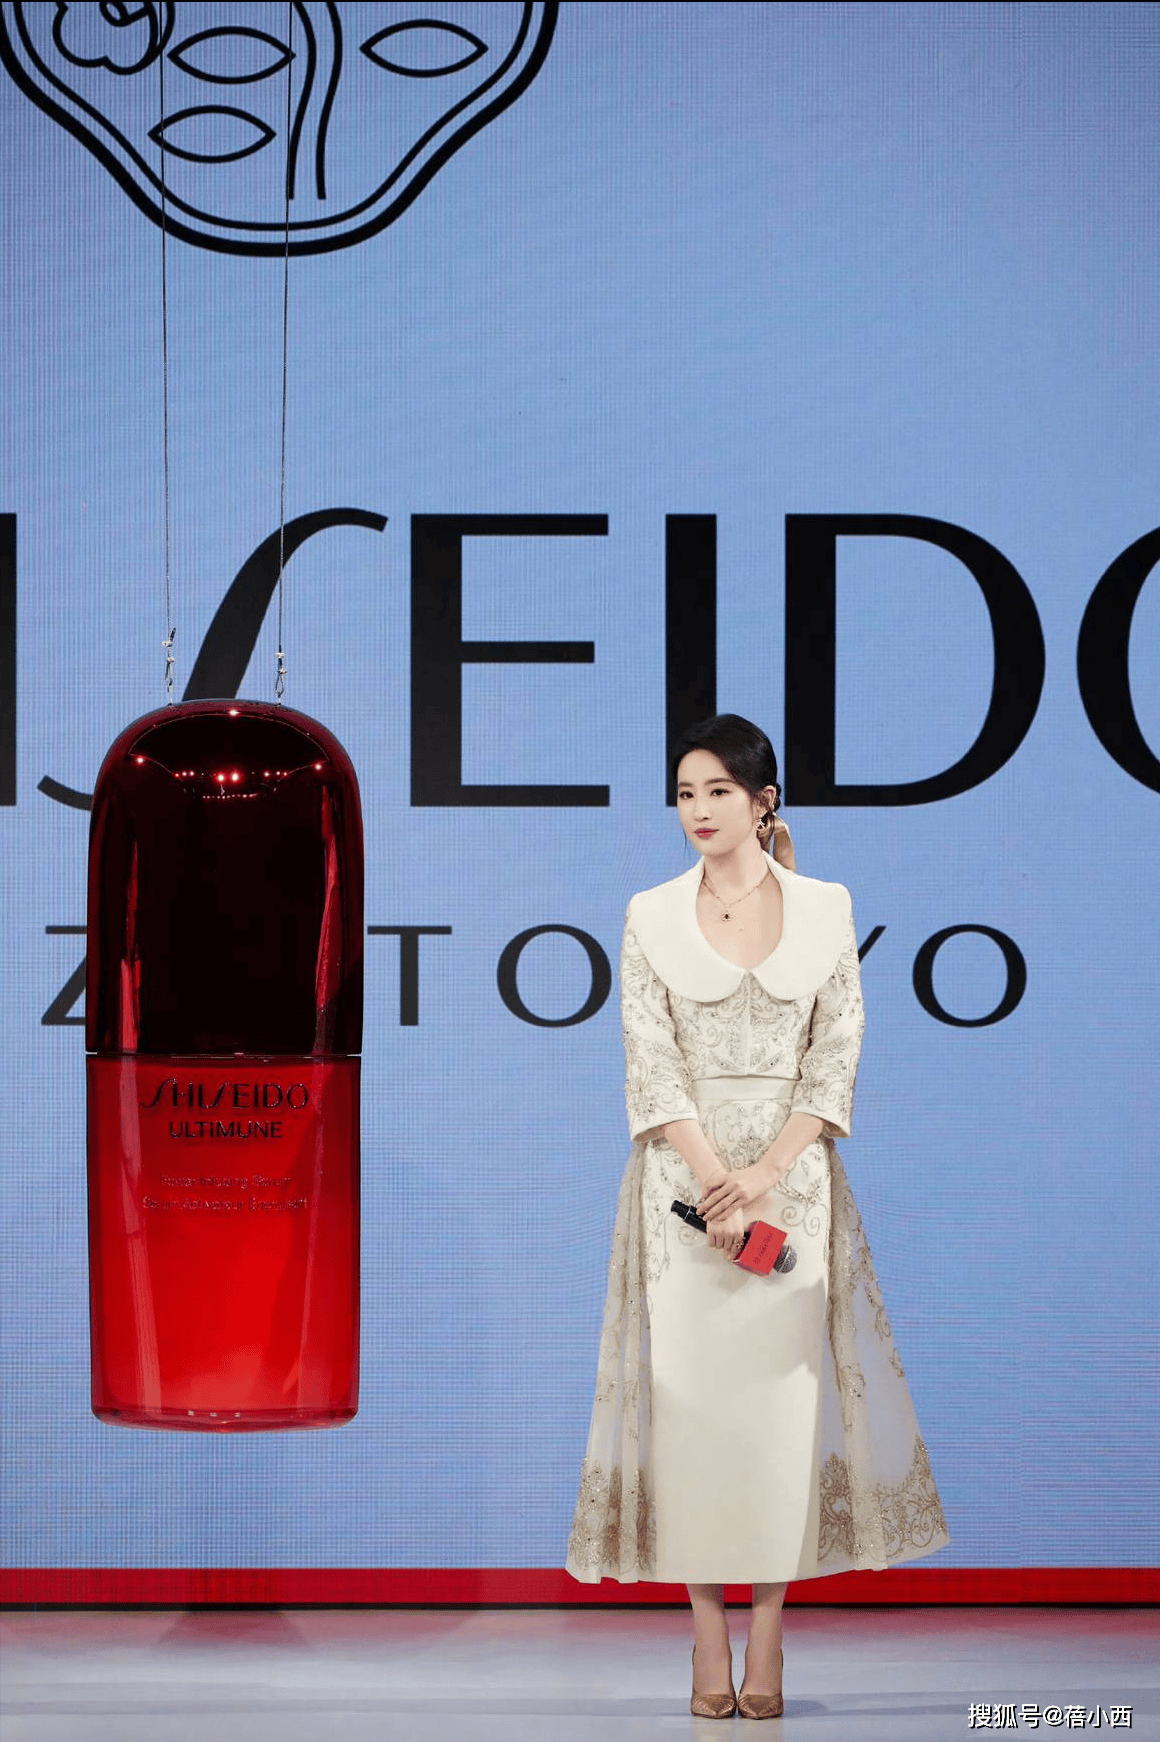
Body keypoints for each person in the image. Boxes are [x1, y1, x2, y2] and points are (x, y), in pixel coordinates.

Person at [565, 714, 949, 1719]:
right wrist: (713, 1179)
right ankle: (705, 1637)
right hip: (680, 1193)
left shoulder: (826, 906)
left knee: (779, 1424)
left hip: (793, 1189)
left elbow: (837, 1050)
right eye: (685, 793)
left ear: (762, 800)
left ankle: (769, 1638)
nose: (698, 810)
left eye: (718, 792)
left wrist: (768, 1170)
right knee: (690, 1420)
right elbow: (648, 1060)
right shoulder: (649, 912)